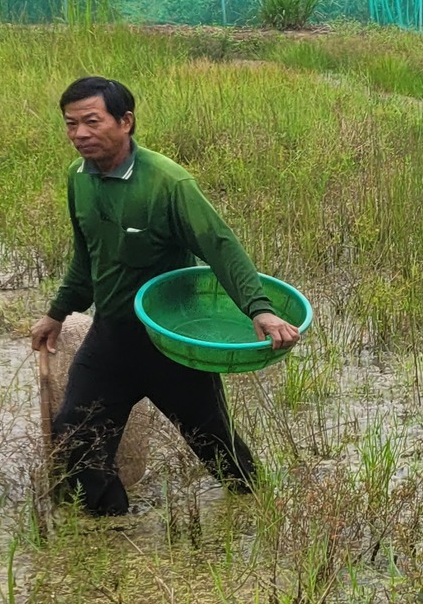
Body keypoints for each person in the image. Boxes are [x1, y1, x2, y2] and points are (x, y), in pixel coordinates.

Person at [30, 76, 300, 517]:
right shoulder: (77, 179)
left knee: (214, 441)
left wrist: (260, 310)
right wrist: (57, 312)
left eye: (92, 122)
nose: (80, 134)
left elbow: (220, 246)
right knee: (76, 435)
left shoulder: (168, 183)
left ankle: (260, 510)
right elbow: (86, 255)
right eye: (71, 124)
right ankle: (110, 532)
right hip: (111, 338)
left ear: (126, 121)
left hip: (170, 343)